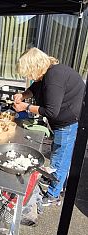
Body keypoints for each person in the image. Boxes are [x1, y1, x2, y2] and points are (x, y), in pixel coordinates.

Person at [13, 47, 85, 206]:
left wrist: (25, 107)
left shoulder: (54, 78)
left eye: (28, 72)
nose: (28, 76)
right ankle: (55, 180)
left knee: (61, 157)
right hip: (63, 119)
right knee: (58, 152)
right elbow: (36, 87)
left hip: (68, 122)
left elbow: (51, 111)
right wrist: (23, 95)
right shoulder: (48, 72)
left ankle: (54, 194)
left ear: (35, 67)